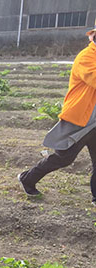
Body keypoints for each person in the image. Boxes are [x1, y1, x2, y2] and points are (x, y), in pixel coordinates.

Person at [18, 26, 96, 203]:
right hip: (81, 119)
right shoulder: (86, 57)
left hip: (95, 121)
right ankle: (27, 178)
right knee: (64, 158)